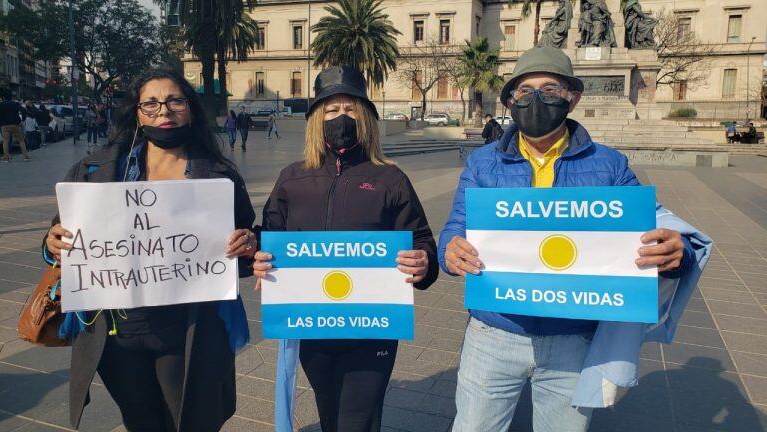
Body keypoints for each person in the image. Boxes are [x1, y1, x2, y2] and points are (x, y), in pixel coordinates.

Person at [438, 47, 711, 432]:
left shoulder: (610, 165)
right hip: (494, 332)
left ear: (572, 97)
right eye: (525, 90)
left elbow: (650, 234)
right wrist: (450, 251)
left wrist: (675, 253)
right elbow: (455, 228)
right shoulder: (483, 163)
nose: (535, 99)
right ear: (511, 100)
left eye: (550, 89)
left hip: (573, 337)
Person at [42, 66, 256, 431]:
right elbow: (55, 240)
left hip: (186, 327)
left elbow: (244, 246)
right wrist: (52, 245)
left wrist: (248, 244)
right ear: (137, 112)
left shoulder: (219, 175)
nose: (164, 112)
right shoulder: (96, 169)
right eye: (151, 103)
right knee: (141, 422)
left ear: (190, 107)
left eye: (175, 101)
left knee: (190, 420)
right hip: (118, 334)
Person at [255, 65, 439, 432]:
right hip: (312, 325)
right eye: (331, 110)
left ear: (367, 118)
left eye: (351, 109)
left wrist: (424, 263)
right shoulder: (292, 177)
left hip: (372, 329)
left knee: (358, 419)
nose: (341, 117)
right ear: (315, 120)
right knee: (328, 411)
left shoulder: (390, 179)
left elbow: (422, 242)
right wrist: (259, 258)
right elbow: (269, 235)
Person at [0, 93, 30, 162]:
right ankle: (26, 157)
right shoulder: (15, 104)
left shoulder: (0, 105)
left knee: (5, 141)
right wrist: (22, 120)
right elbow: (24, 111)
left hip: (4, 125)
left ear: (3, 98)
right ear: (11, 98)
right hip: (15, 125)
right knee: (21, 141)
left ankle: (6, 157)